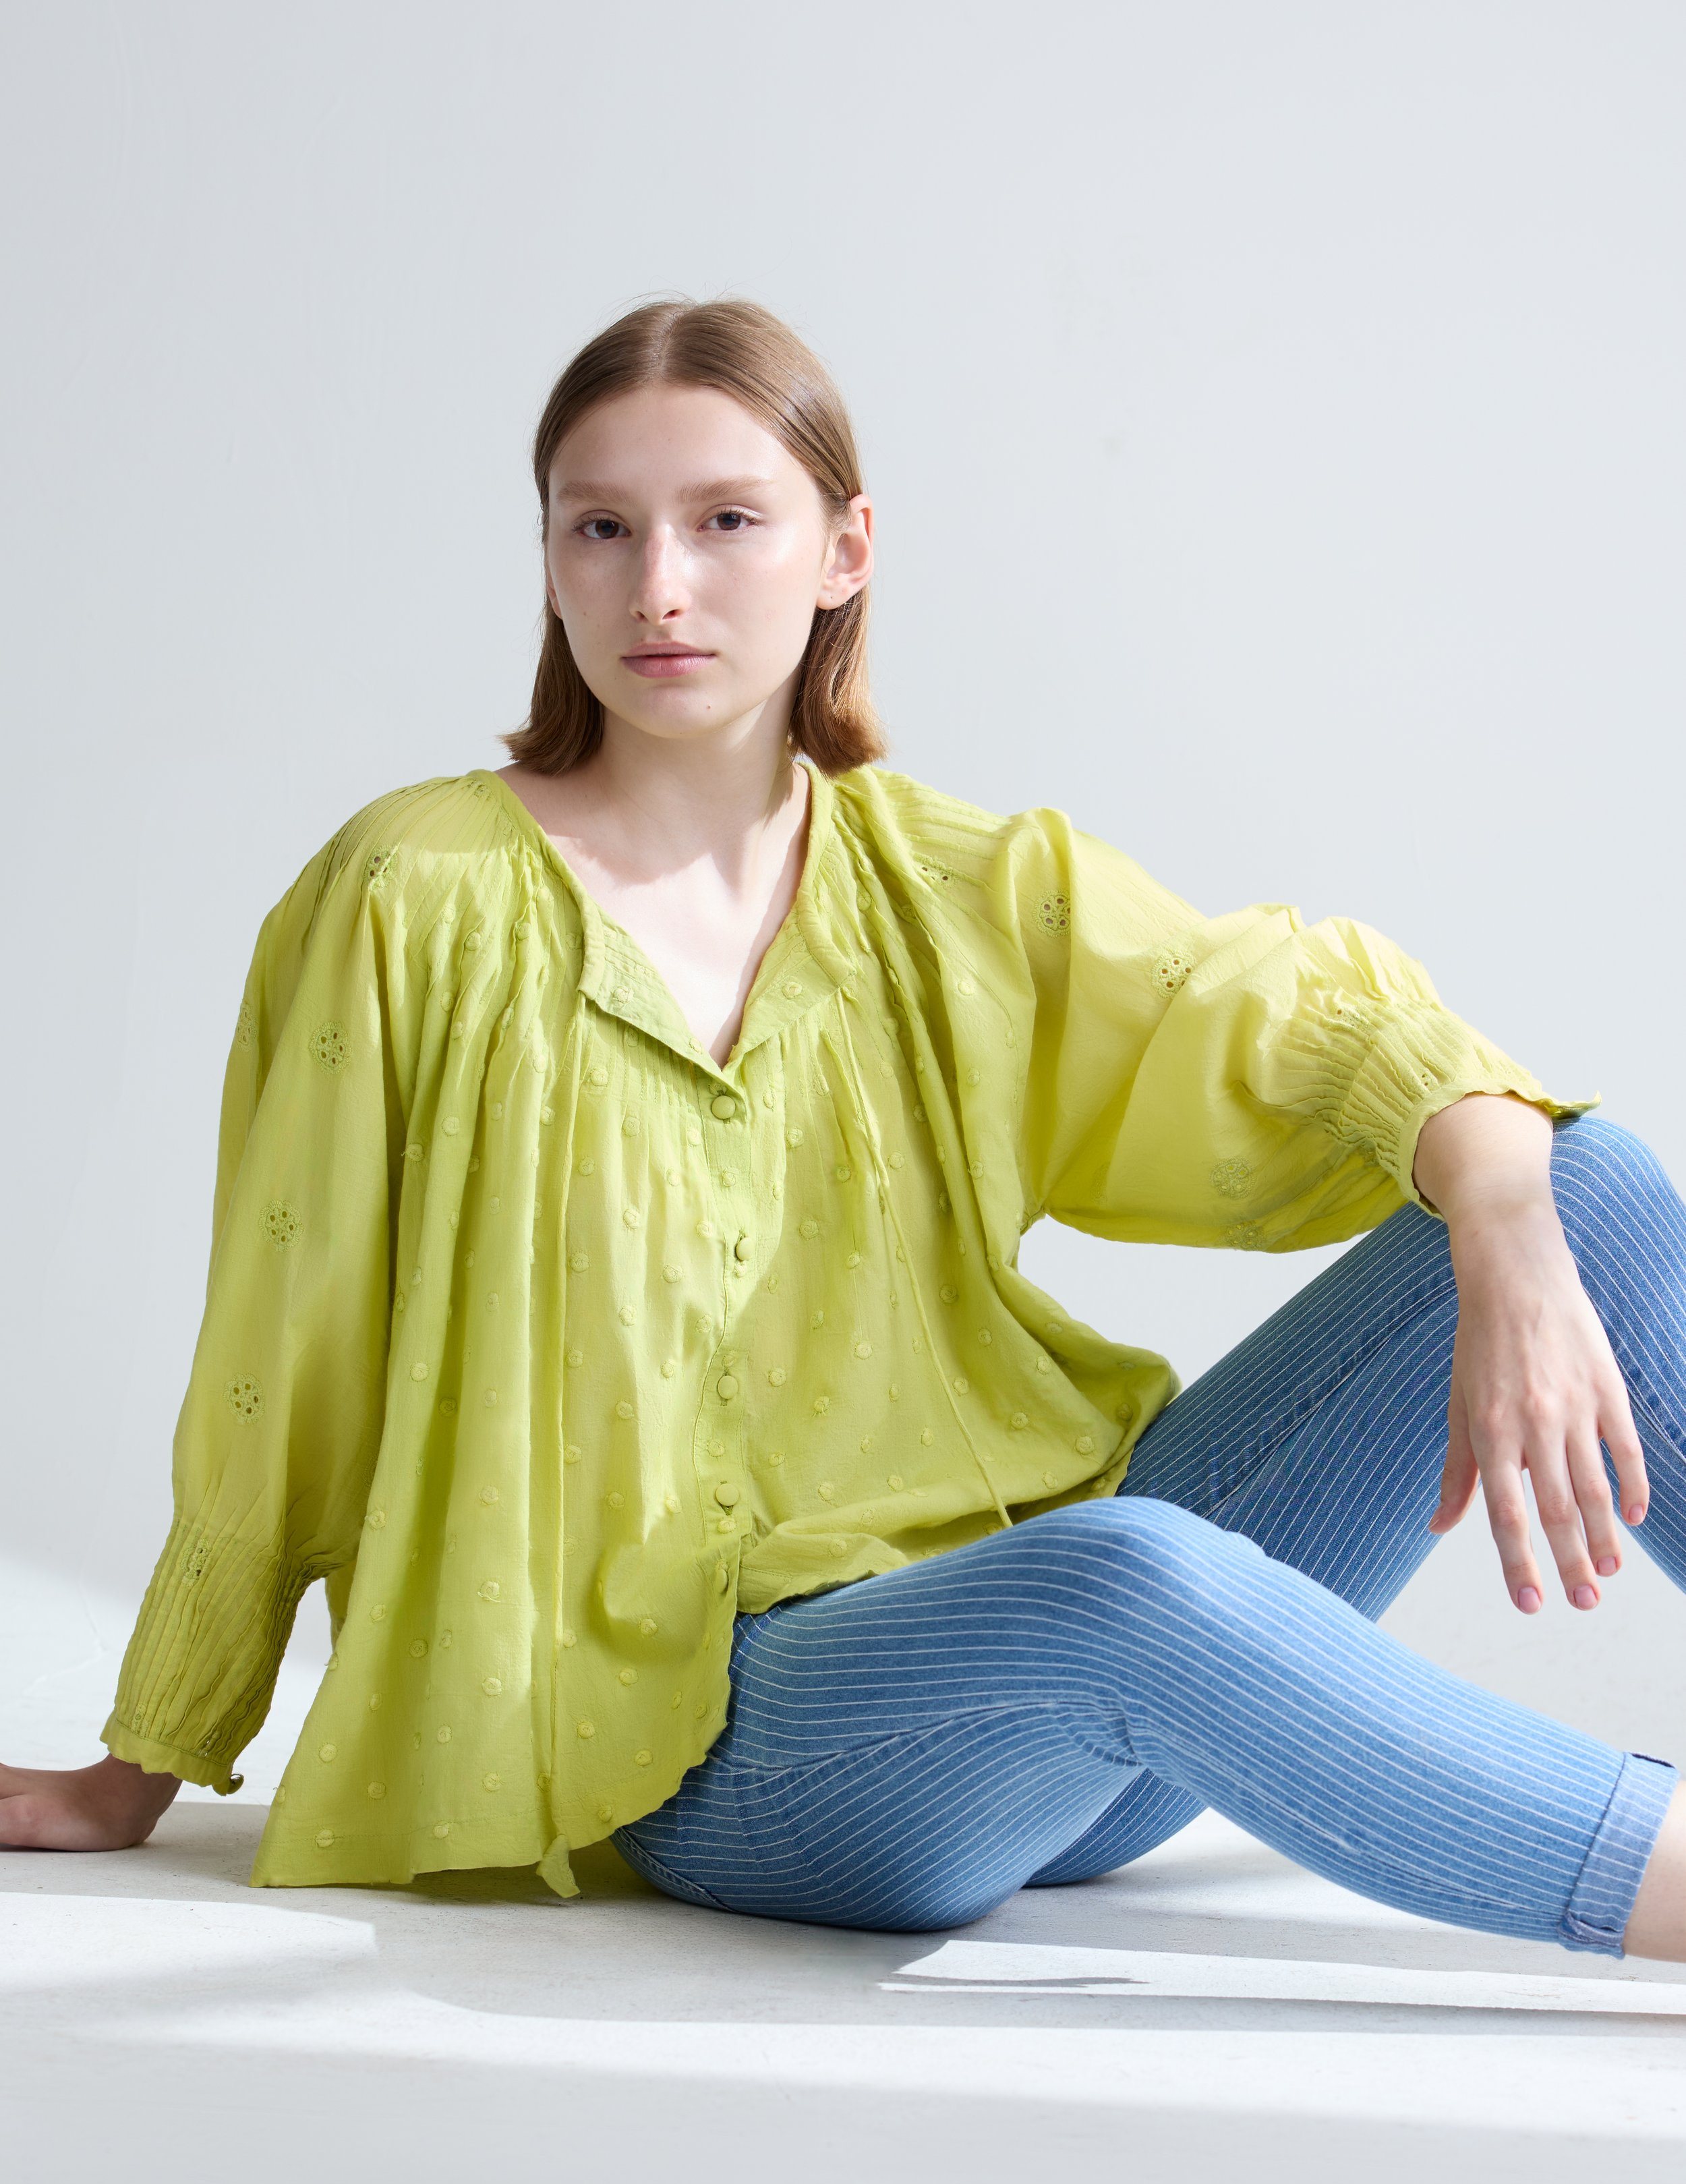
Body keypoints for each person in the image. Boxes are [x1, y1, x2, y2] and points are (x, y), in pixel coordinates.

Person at [5, 296, 1684, 1964]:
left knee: (1568, 1174)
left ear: (842, 549)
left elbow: (1316, 1027)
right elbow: (280, 1355)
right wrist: (144, 1756)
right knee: (1126, 1577)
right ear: (549, 561)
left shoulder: (944, 884)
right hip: (735, 1743)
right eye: (600, 529)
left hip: (1062, 1708)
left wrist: (1508, 1233)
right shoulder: (412, 895)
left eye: (726, 521)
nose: (658, 585)